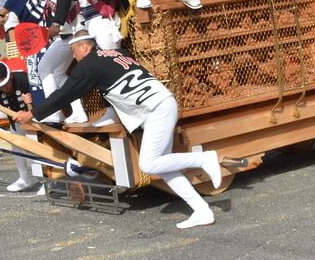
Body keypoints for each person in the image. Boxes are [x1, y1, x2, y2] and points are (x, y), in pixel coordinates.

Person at [15, 30, 223, 229]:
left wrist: (33, 114)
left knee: (149, 164)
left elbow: (65, 94)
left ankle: (204, 159)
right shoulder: (114, 53)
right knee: (164, 167)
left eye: (74, 50)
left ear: (85, 48)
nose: (73, 56)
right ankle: (202, 211)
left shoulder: (89, 65)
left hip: (156, 108)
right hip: (158, 105)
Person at [0, 62, 40, 193]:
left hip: (34, 120)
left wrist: (30, 102)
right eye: (0, 87)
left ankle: (44, 180)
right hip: (15, 121)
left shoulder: (23, 79)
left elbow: (40, 96)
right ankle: (24, 178)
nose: (4, 89)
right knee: (16, 148)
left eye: (6, 85)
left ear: (11, 76)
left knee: (36, 150)